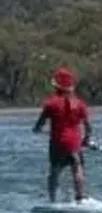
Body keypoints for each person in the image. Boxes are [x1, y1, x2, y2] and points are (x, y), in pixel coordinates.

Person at [33, 68, 93, 204]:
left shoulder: (51, 104)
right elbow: (88, 126)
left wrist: (36, 129)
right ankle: (80, 197)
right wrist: (87, 139)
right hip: (74, 143)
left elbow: (40, 123)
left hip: (58, 143)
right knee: (77, 169)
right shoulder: (80, 104)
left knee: (54, 171)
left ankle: (52, 199)